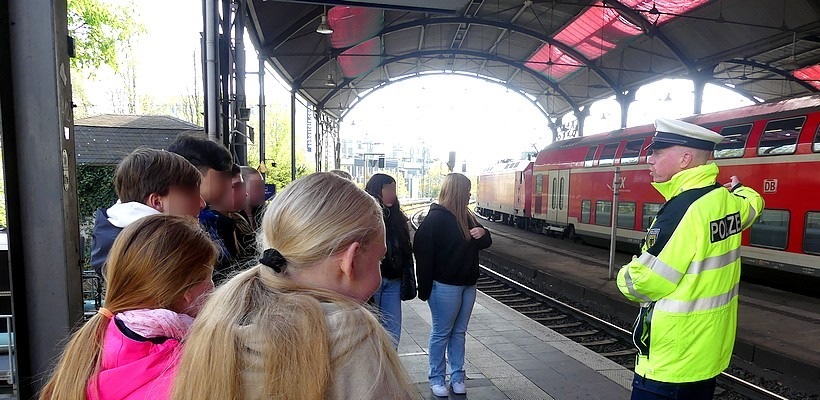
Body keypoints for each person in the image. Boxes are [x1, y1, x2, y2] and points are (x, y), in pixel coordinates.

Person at [170, 172, 417, 400]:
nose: (379, 269)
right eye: (379, 259)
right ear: (349, 261)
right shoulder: (355, 336)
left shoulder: (215, 322)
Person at [616, 118, 764, 400]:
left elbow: (647, 281)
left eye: (657, 153)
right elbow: (753, 205)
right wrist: (740, 188)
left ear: (684, 159)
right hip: (708, 351)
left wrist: (625, 275)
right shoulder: (727, 201)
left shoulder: (683, 209)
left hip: (673, 357)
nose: (650, 160)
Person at [40, 215, 218, 400]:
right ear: (187, 293)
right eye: (209, 277)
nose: (214, 288)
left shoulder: (93, 347)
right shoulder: (197, 371)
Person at [413, 173, 492, 398]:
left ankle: (457, 376)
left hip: (468, 284)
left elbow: (485, 242)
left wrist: (483, 233)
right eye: (467, 190)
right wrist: (425, 289)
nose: (470, 193)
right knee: (442, 332)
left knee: (459, 332)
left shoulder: (467, 216)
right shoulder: (436, 219)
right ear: (457, 191)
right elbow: (423, 254)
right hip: (444, 286)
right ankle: (436, 377)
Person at [90, 148, 204, 279]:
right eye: (190, 194)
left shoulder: (116, 244)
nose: (202, 204)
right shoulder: (160, 253)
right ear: (157, 202)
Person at [168, 135, 234, 279]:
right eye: (222, 177)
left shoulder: (209, 219)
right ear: (193, 173)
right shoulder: (175, 230)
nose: (228, 185)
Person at [364, 173, 415, 348]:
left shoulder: (398, 218)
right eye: (389, 189)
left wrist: (409, 280)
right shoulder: (365, 216)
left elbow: (406, 251)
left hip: (394, 279)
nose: (393, 193)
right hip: (371, 279)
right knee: (372, 328)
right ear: (378, 190)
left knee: (393, 330)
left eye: (394, 189)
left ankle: (390, 367)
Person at [240, 166, 266, 231]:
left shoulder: (265, 214)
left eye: (262, 186)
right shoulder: (231, 219)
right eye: (257, 187)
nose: (262, 191)